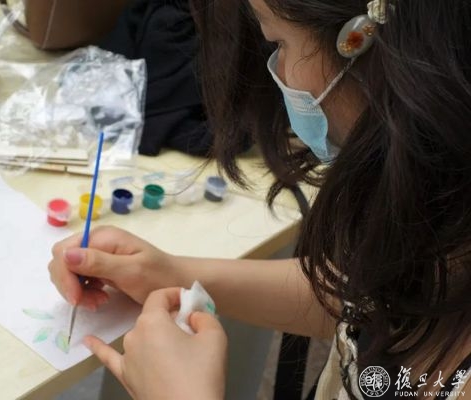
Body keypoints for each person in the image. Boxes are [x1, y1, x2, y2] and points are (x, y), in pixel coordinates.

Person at [48, 0, 471, 398]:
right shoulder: (441, 218)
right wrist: (172, 273)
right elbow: (364, 299)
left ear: (357, 40)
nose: (278, 72)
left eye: (279, 43)